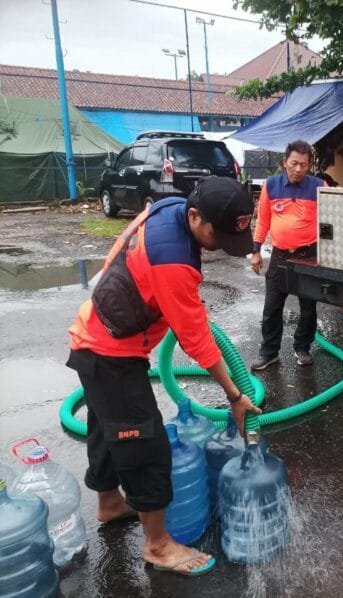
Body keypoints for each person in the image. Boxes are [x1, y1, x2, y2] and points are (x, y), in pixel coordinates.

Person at [66, 176, 261, 577]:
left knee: (106, 426)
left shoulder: (165, 209)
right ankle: (157, 545)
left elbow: (122, 258)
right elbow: (198, 341)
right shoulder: (173, 260)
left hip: (94, 336)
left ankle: (109, 502)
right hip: (109, 352)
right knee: (145, 442)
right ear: (194, 215)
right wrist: (234, 395)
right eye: (217, 234)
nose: (221, 245)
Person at [250, 140, 325, 370]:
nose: (298, 169)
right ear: (285, 163)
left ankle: (302, 347)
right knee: (272, 307)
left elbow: (329, 221)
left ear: (309, 165)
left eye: (304, 164)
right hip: (280, 256)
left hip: (309, 255)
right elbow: (263, 219)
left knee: (308, 306)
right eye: (294, 163)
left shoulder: (319, 185)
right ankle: (269, 352)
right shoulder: (271, 185)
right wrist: (256, 251)